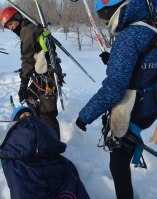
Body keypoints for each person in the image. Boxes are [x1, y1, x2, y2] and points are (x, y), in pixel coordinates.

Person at [75, 0, 157, 198]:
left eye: (105, 17)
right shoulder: (151, 26)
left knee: (118, 166)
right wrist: (115, 59)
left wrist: (85, 116)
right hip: (151, 105)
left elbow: (114, 88)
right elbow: (144, 64)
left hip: (135, 109)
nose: (105, 23)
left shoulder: (129, 36)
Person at [0, 7, 64, 139]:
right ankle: (39, 128)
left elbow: (27, 60)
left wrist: (23, 84)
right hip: (41, 75)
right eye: (8, 27)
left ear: (17, 18)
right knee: (30, 98)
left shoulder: (27, 30)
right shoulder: (31, 27)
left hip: (48, 79)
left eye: (11, 24)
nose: (11, 28)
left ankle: (54, 146)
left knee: (48, 115)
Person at [0, 106, 90, 199]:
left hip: (50, 160)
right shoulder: (15, 130)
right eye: (24, 115)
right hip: (27, 164)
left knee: (69, 177)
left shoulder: (40, 125)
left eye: (30, 114)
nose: (28, 116)